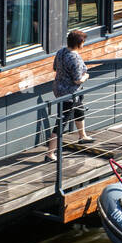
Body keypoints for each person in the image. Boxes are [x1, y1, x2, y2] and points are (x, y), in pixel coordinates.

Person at [46, 30, 94, 160]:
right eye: (83, 42)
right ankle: (50, 153)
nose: (84, 44)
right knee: (62, 121)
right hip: (69, 93)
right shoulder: (75, 58)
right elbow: (77, 79)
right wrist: (86, 76)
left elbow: (55, 68)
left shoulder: (61, 51)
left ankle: (82, 136)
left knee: (79, 109)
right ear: (79, 43)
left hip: (59, 88)